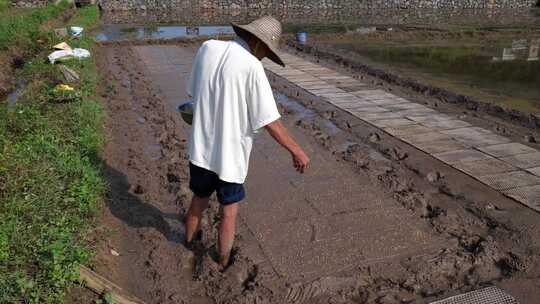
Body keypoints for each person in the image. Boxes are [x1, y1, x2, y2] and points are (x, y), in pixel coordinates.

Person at [184, 15, 310, 268]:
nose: (264, 56)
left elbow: (193, 94)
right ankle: (222, 260)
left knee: (198, 199)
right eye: (266, 51)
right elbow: (270, 121)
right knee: (229, 210)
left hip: (200, 149)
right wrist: (296, 151)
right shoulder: (252, 67)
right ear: (259, 43)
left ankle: (187, 245)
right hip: (230, 159)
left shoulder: (208, 47)